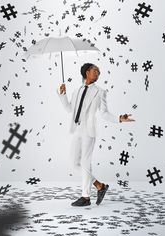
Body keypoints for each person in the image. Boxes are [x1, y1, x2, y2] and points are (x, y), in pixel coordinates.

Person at [56, 63, 135, 207]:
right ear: (87, 72)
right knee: (75, 164)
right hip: (77, 130)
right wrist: (62, 94)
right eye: (95, 71)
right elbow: (70, 109)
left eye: (99, 71)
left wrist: (119, 119)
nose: (98, 73)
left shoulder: (100, 92)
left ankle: (85, 197)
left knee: (85, 164)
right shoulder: (77, 90)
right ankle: (99, 185)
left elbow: (104, 113)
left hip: (89, 131)